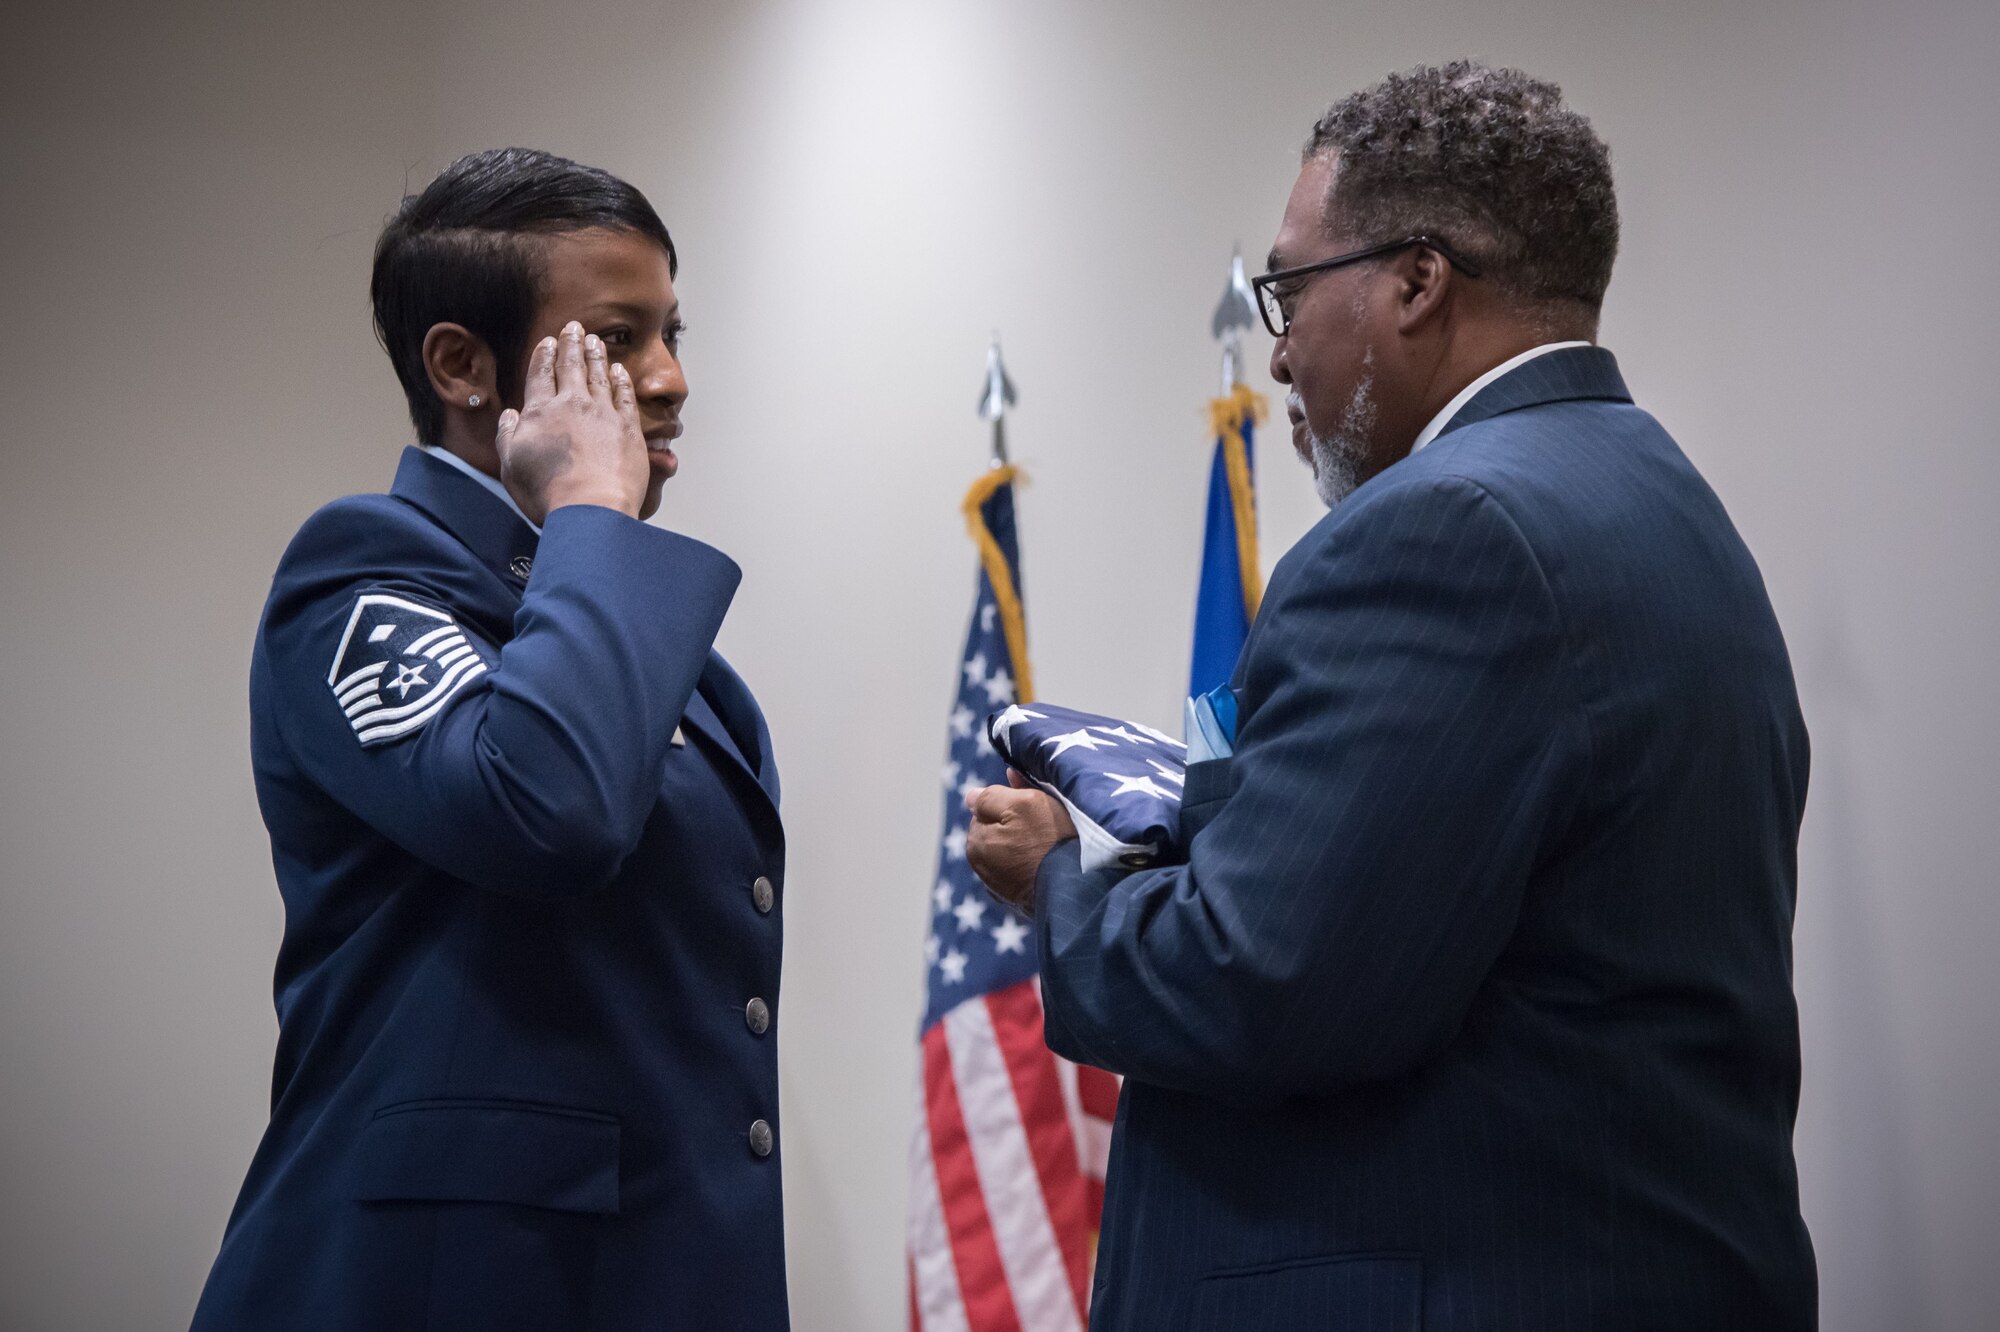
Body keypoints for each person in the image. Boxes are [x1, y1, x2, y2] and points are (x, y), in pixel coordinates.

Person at [967, 62, 1817, 1330]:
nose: (1275, 352)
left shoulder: (1443, 531)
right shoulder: (1660, 501)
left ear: (1416, 281)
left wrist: (1062, 880)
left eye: (1291, 292)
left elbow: (1256, 981)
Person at [191, 149, 788, 1331]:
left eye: (672, 331)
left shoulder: (679, 664)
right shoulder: (361, 572)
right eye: (617, 341)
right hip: (443, 1289)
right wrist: (586, 508)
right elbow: (546, 805)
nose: (668, 380)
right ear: (462, 365)